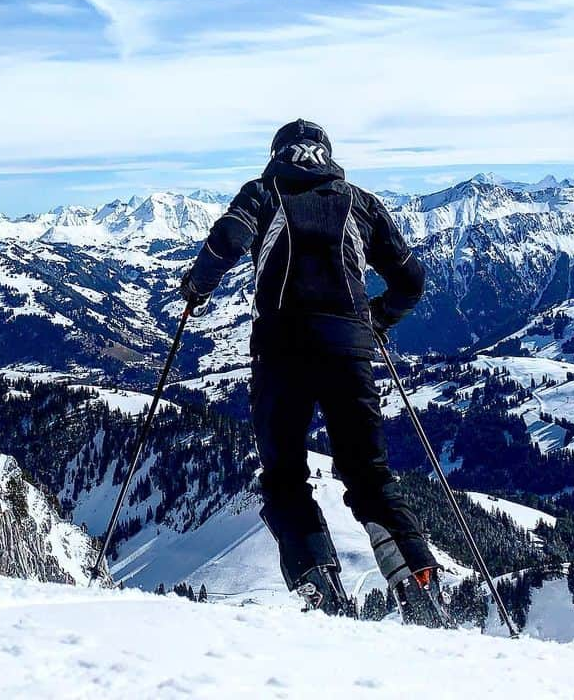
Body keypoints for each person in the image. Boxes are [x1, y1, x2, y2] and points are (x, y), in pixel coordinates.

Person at [180, 119, 446, 624]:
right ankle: (418, 582)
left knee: (285, 476)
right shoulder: (359, 201)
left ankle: (316, 583)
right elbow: (411, 280)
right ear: (326, 154)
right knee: (369, 475)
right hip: (349, 352)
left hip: (280, 353)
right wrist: (377, 319)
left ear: (278, 152)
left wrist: (197, 287)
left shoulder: (263, 192)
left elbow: (227, 241)